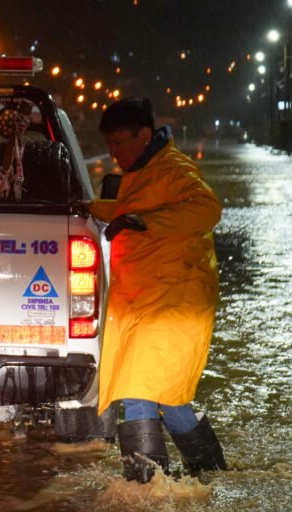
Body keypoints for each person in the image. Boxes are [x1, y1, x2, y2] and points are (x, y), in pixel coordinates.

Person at [89, 97, 227, 483]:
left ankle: (144, 492)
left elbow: (208, 209)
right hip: (152, 301)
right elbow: (133, 211)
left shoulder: (174, 169)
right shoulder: (144, 171)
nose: (112, 153)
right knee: (169, 395)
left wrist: (144, 222)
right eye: (110, 144)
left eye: (118, 143)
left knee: (138, 388)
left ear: (144, 135)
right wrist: (92, 207)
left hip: (170, 302)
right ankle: (212, 476)